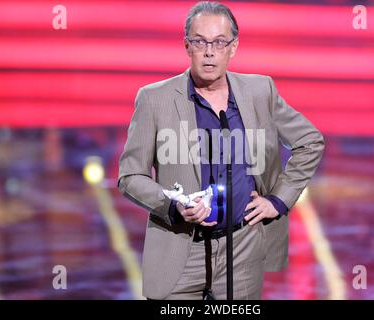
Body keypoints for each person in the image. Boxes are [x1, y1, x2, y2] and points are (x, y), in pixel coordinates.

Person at [118, 1, 324, 300]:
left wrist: (278, 199)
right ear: (186, 45)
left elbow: (310, 141)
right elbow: (130, 176)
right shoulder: (154, 99)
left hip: (241, 248)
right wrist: (174, 206)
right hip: (180, 248)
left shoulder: (259, 91)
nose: (209, 51)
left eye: (219, 42)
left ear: (234, 46)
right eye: (200, 42)